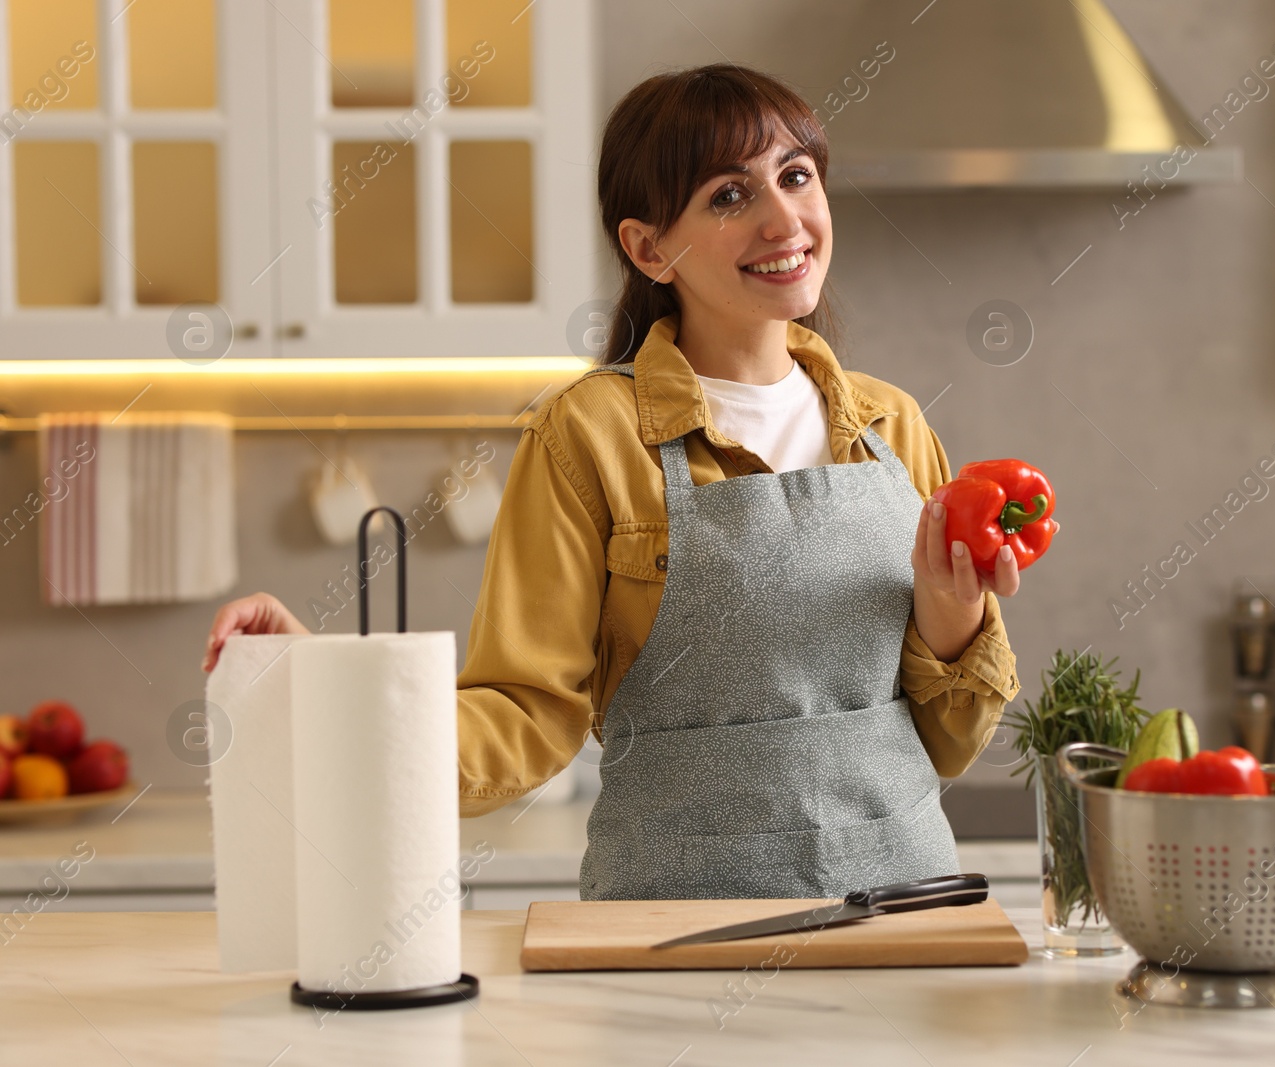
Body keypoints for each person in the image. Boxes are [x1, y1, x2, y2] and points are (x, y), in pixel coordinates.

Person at [203, 64, 1027, 900]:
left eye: (796, 176)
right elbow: (523, 717)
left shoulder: (893, 426)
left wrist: (954, 616)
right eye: (729, 197)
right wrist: (320, 684)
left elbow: (947, 742)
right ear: (648, 248)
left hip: (902, 914)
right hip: (672, 932)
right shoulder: (589, 434)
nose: (785, 219)